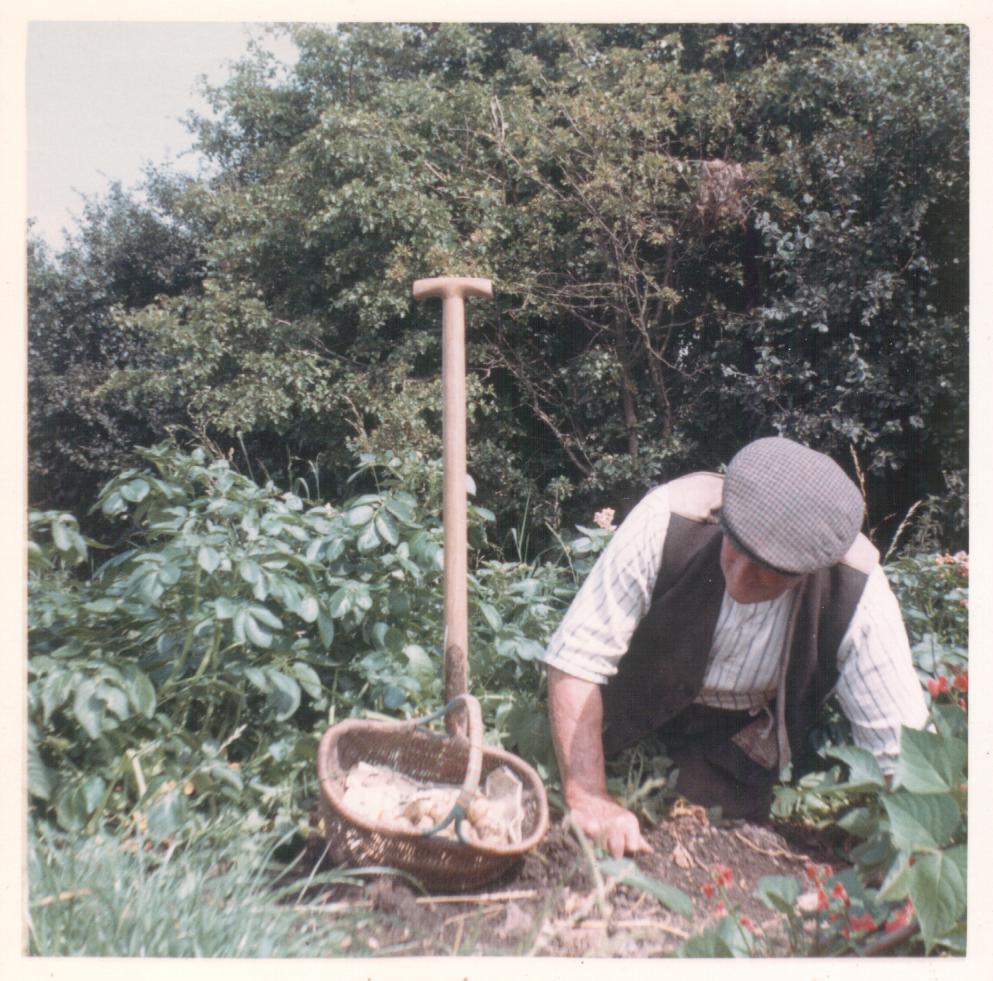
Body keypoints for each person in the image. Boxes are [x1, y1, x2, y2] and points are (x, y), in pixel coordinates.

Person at [544, 437, 928, 858]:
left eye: (770, 570)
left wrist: (917, 858)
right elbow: (576, 660)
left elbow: (904, 755)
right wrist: (588, 798)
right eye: (736, 545)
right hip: (618, 710)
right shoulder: (668, 516)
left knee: (722, 848)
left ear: (811, 568)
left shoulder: (858, 590)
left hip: (729, 738)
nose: (742, 576)